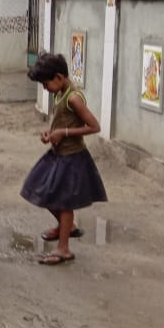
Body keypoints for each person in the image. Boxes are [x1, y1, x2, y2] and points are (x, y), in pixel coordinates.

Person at [22, 53, 106, 265]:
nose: (44, 88)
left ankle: (64, 249)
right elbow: (61, 121)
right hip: (58, 154)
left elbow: (94, 126)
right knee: (39, 189)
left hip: (72, 157)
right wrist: (50, 133)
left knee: (63, 201)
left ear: (59, 77)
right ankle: (68, 227)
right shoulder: (60, 93)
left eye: (45, 83)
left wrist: (64, 133)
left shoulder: (73, 98)